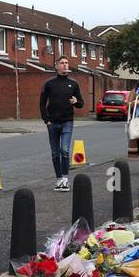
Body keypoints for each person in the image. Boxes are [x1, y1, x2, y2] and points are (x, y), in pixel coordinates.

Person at [40, 57, 84, 191]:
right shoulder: (49, 83)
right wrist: (46, 120)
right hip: (52, 122)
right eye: (62, 63)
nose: (65, 65)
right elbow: (42, 103)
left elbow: (81, 104)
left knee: (64, 150)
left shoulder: (74, 84)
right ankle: (59, 179)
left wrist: (76, 102)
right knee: (55, 152)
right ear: (56, 66)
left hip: (67, 121)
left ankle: (65, 178)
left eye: (66, 63)